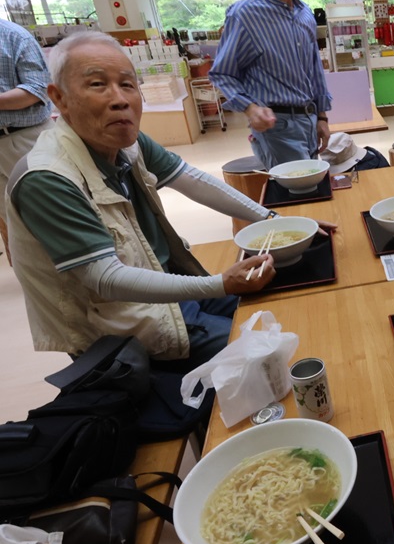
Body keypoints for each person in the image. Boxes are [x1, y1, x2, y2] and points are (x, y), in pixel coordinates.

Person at [4, 31, 319, 369]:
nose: (119, 99)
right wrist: (219, 284)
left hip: (171, 293)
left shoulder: (127, 142)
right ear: (59, 98)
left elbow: (192, 180)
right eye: (97, 84)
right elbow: (106, 279)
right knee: (274, 354)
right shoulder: (47, 179)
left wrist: (274, 221)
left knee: (292, 310)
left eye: (127, 84)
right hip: (122, 329)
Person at [210, 0, 331, 171]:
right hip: (277, 127)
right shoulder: (244, 15)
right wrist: (250, 108)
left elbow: (314, 69)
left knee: (312, 185)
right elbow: (223, 73)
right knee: (300, 189)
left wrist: (321, 116)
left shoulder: (305, 13)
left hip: (309, 120)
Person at [0, 19, 54, 256]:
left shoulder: (13, 36)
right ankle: (35, 270)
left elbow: (37, 89)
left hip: (24, 138)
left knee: (50, 210)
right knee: (12, 220)